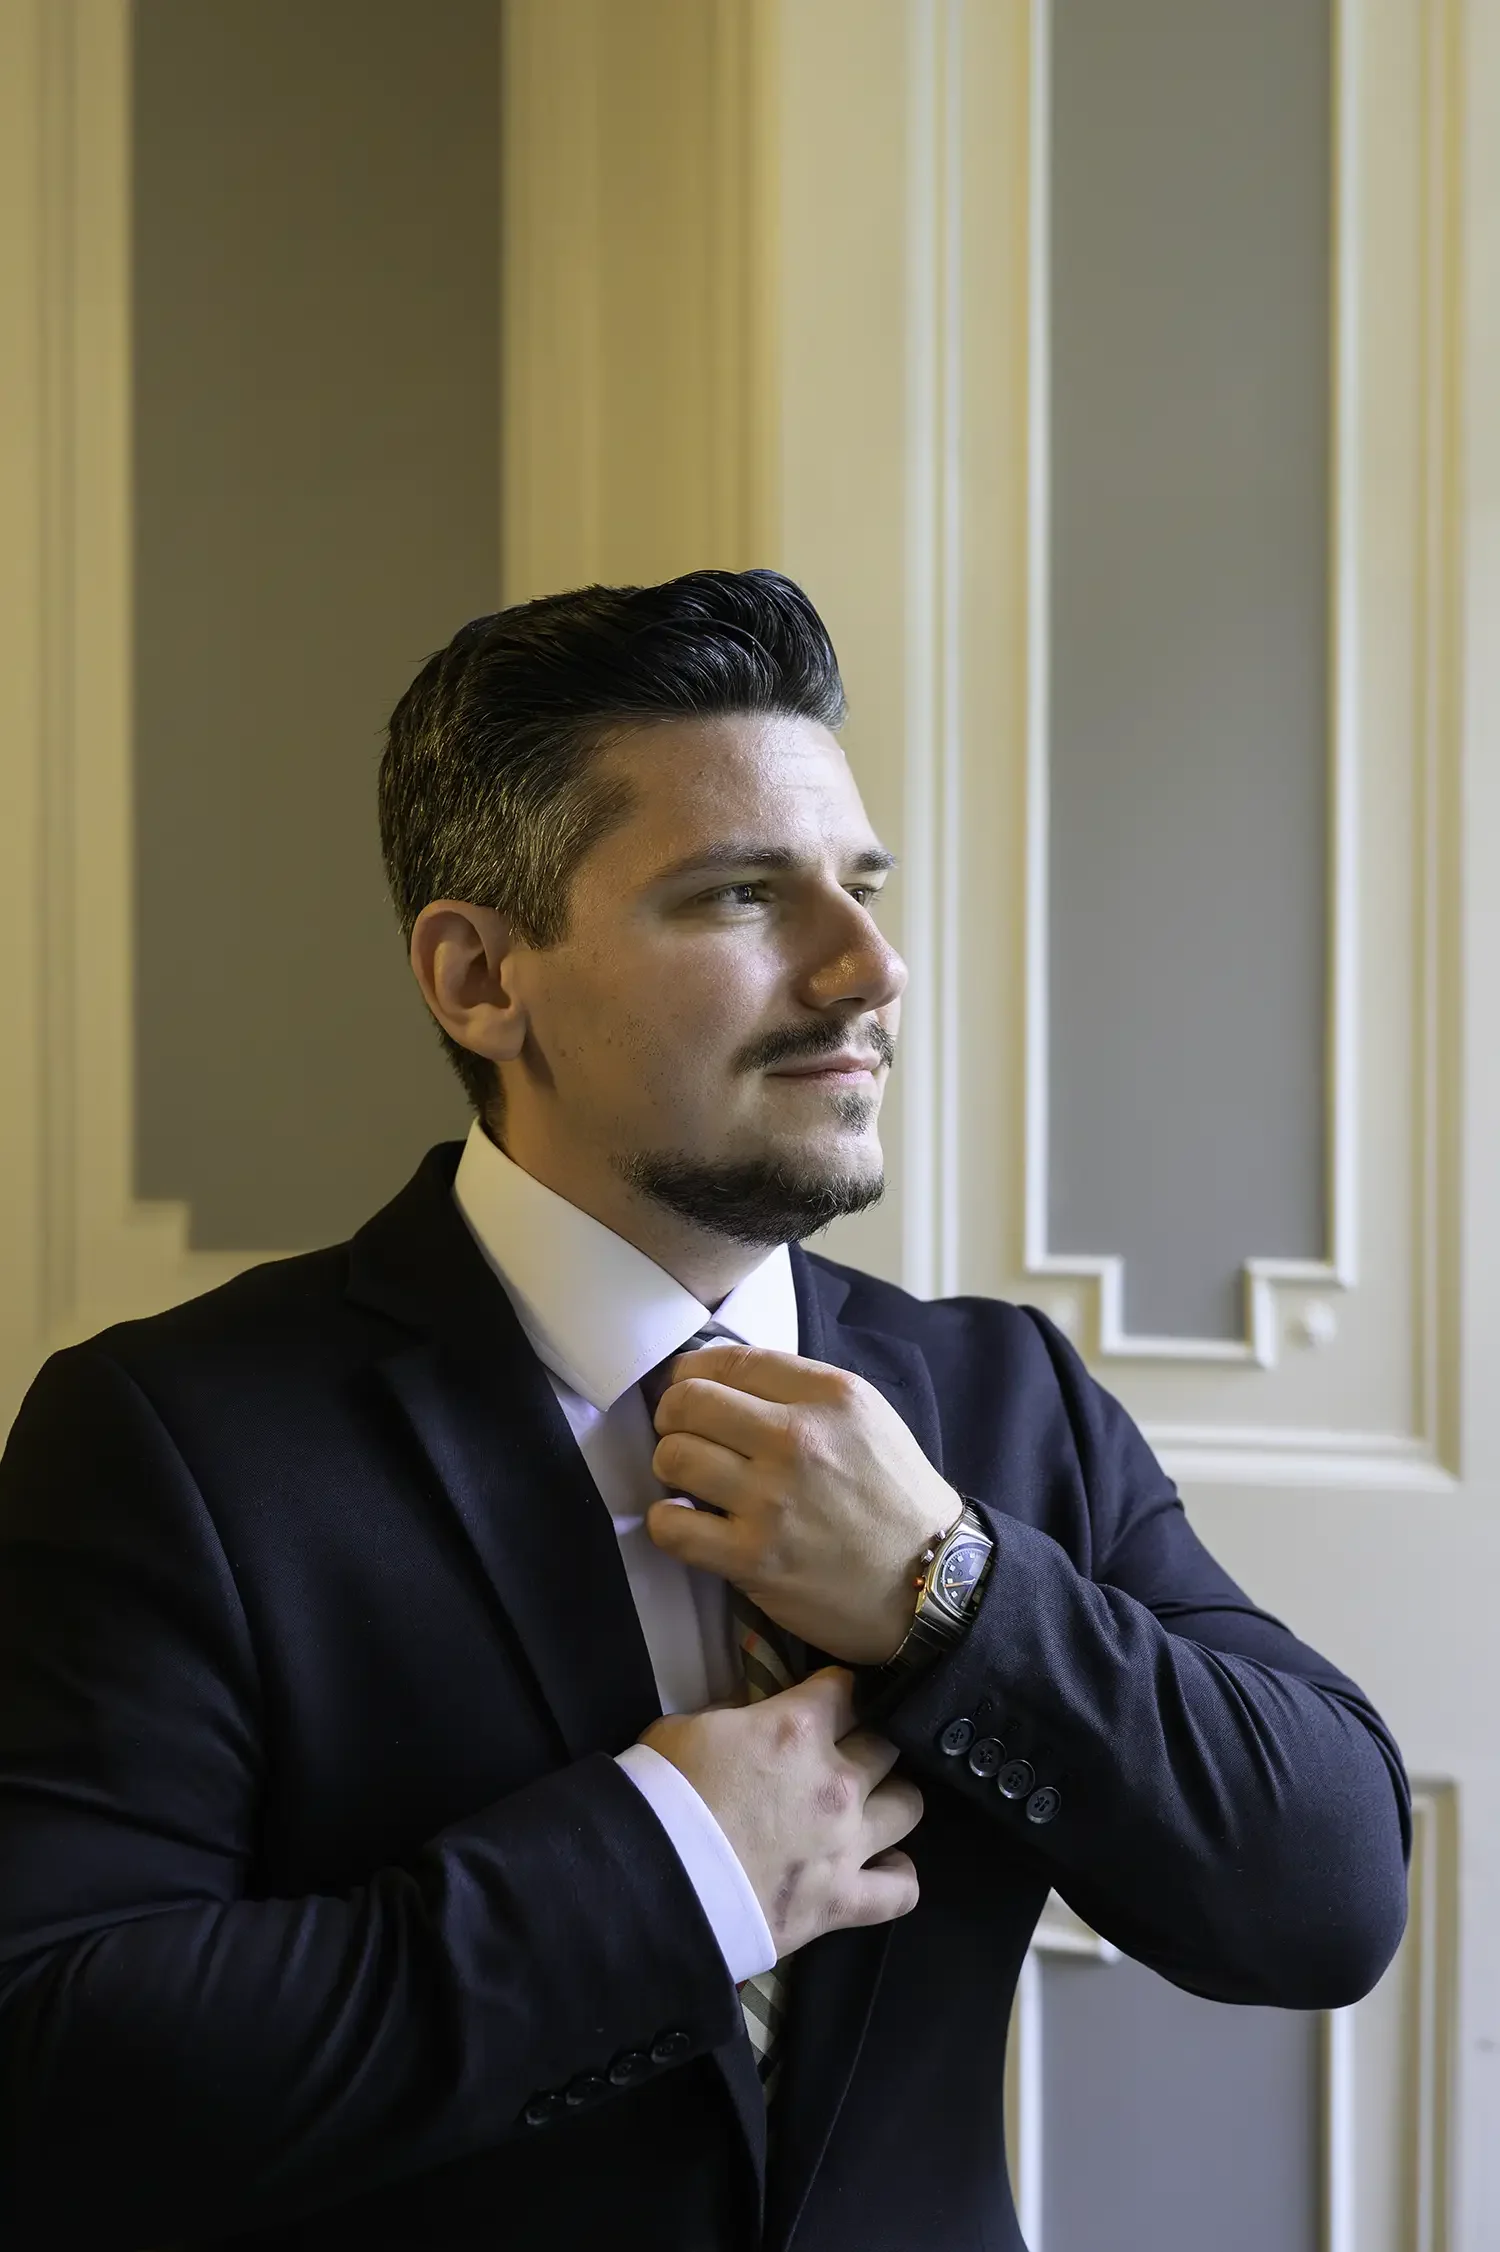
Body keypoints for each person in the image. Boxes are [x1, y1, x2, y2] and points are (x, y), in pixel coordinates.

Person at [0, 569, 1409, 2252]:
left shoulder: (1000, 1397)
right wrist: (670, 1870)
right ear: (478, 978)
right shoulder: (171, 1438)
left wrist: (949, 1595)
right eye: (745, 894)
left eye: (865, 887)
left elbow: (1324, 1899)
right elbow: (56, 2072)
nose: (867, 965)